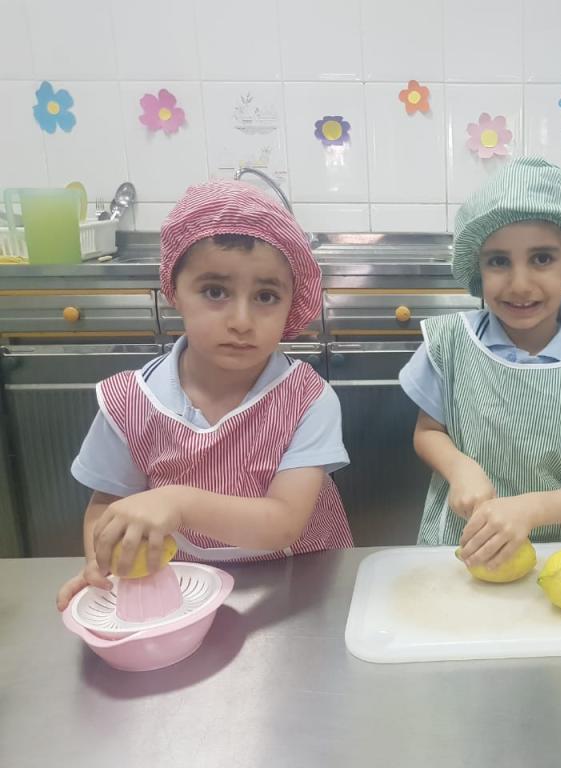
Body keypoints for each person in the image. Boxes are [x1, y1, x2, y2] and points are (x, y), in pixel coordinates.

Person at [57, 180, 352, 611]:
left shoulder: (308, 399)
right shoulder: (130, 403)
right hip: (183, 595)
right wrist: (105, 563)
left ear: (292, 304)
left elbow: (284, 522)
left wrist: (178, 501)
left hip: (300, 588)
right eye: (215, 291)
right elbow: (107, 505)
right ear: (174, 291)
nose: (241, 320)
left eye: (266, 296)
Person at [399, 157, 561, 570]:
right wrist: (458, 467)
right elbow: (428, 433)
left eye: (541, 258)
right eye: (499, 261)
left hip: (555, 560)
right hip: (460, 547)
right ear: (478, 266)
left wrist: (529, 510)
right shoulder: (450, 343)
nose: (519, 284)